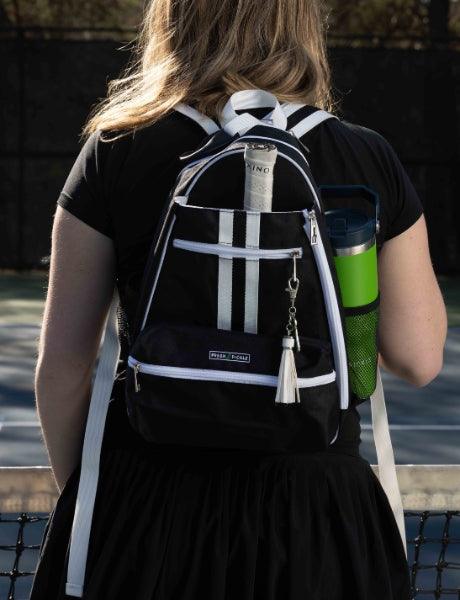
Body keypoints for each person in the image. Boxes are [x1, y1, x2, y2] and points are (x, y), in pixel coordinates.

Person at [30, 0, 448, 598]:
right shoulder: (364, 156)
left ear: (173, 22)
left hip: (147, 502)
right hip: (317, 514)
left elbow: (64, 368)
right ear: (302, 25)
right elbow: (418, 356)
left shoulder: (115, 148)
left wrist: (100, 495)